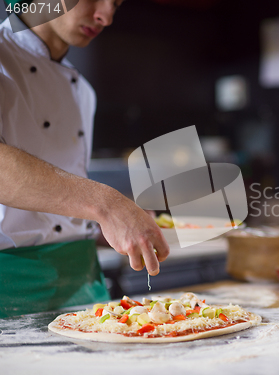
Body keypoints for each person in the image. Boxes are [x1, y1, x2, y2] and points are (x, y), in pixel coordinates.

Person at [0, 0, 169, 318]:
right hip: (10, 293)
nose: (105, 16)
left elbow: (59, 212)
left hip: (86, 289)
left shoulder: (83, 92)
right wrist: (107, 205)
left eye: (116, 4)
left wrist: (120, 225)